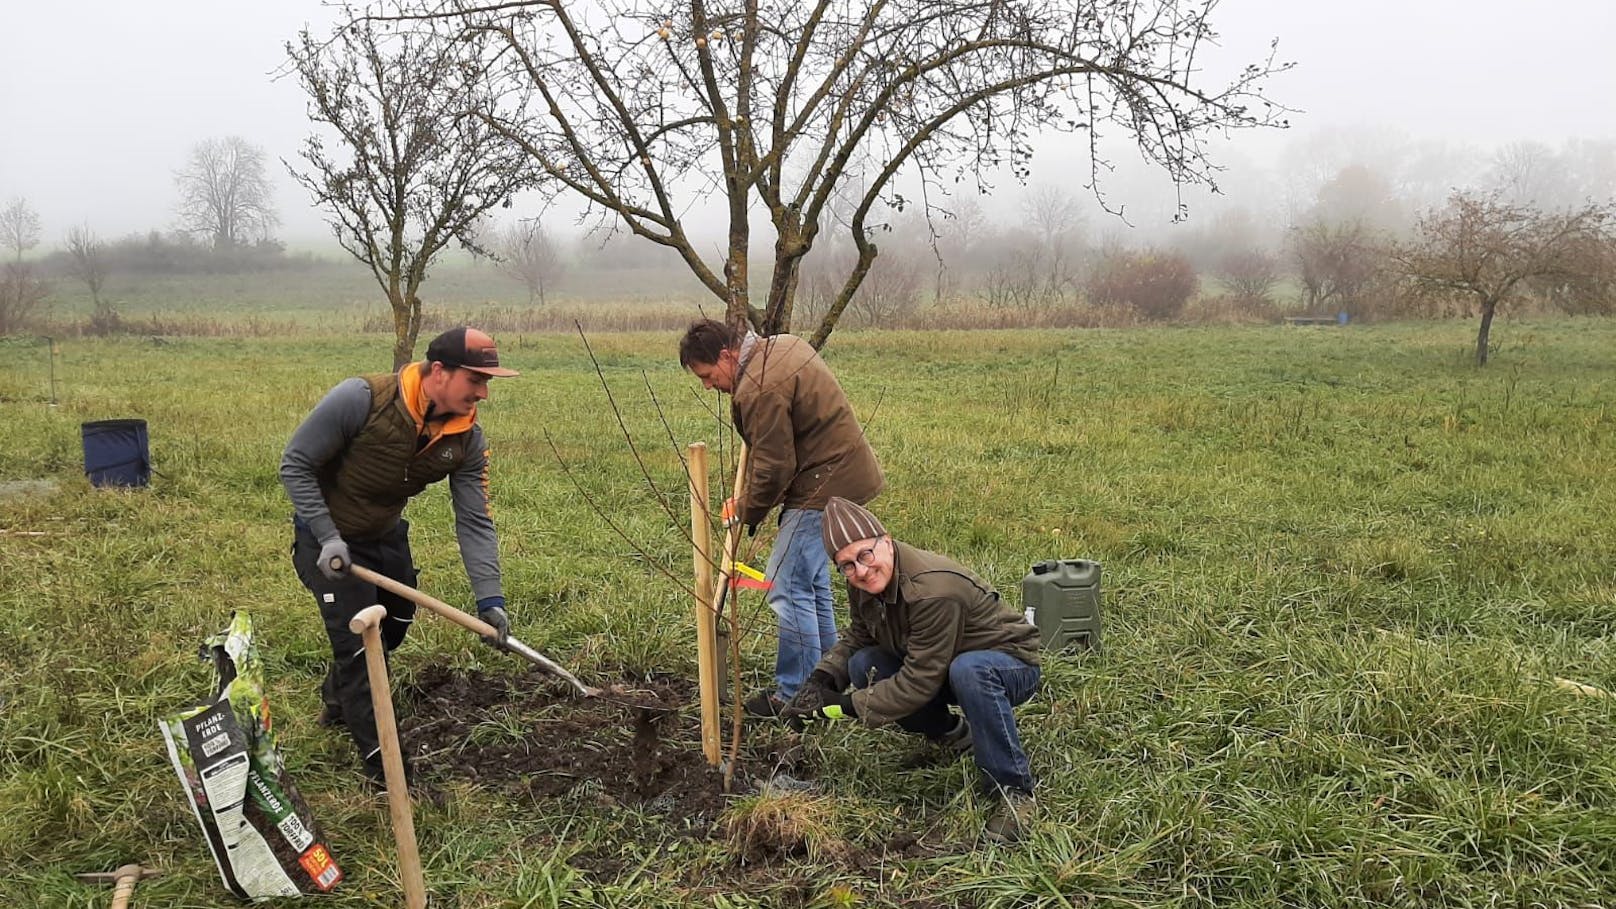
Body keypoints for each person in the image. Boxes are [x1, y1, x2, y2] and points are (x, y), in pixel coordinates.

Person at [280, 326, 519, 786]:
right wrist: (328, 535)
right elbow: (296, 463)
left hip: (384, 535)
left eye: (487, 382)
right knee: (361, 648)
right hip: (327, 541)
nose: (484, 393)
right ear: (439, 372)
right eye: (476, 380)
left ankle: (338, 696)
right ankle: (387, 772)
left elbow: (474, 521)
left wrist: (490, 600)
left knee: (397, 622)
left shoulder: (466, 440)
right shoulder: (362, 400)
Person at [784, 497, 1042, 843]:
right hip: (943, 663)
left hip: (1007, 662)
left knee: (971, 671)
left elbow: (919, 681)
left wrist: (846, 705)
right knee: (865, 665)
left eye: (865, 555)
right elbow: (860, 635)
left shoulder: (932, 591)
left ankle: (1014, 791)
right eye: (846, 565)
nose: (860, 571)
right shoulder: (862, 580)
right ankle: (954, 735)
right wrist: (823, 678)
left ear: (886, 542)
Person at [678, 318, 883, 717]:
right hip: (842, 473)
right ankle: (827, 679)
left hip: (823, 483)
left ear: (726, 354)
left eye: (707, 375)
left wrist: (745, 509)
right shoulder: (783, 346)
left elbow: (774, 465)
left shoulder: (759, 386)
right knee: (812, 583)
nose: (708, 386)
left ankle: (797, 697)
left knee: (787, 586)